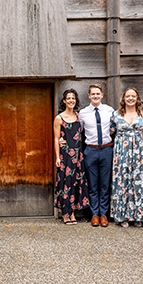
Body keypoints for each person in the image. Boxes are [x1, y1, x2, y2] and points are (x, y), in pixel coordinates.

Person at [110, 88, 143, 227]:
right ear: (123, 98)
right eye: (128, 96)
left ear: (137, 98)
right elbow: (110, 132)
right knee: (122, 181)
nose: (130, 98)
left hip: (138, 153)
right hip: (122, 153)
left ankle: (137, 215)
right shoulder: (116, 115)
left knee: (137, 182)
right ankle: (122, 216)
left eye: (133, 96)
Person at [79, 84, 114, 227]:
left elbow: (114, 129)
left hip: (106, 150)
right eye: (93, 94)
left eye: (98, 94)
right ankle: (94, 214)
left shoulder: (109, 110)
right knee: (93, 185)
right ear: (89, 96)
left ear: (102, 95)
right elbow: (78, 131)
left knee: (105, 185)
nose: (95, 96)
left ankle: (104, 214)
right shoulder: (83, 113)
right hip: (90, 151)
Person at [54, 89, 89, 225]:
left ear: (76, 100)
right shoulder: (59, 118)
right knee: (66, 183)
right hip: (65, 156)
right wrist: (57, 157)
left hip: (78, 155)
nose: (71, 100)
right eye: (68, 98)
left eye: (73, 98)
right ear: (64, 101)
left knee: (76, 183)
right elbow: (57, 139)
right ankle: (65, 213)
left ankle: (72, 212)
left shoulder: (79, 116)